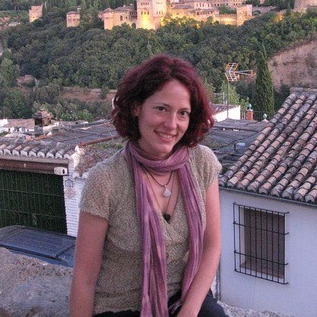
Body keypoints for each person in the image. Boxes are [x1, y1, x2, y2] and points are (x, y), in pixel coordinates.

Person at [70, 55, 226, 317]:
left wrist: (189, 310)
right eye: (161, 109)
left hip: (182, 296)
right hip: (122, 307)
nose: (171, 124)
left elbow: (212, 246)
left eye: (182, 113)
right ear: (136, 107)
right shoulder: (106, 181)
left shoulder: (202, 163)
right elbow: (84, 278)